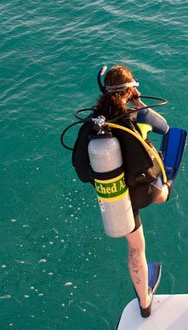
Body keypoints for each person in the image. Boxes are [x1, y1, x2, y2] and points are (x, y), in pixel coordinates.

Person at [72, 65, 172, 317]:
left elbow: (83, 168)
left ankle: (145, 304)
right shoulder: (135, 115)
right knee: (162, 193)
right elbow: (165, 128)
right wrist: (139, 103)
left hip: (113, 194)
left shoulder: (93, 122)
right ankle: (167, 190)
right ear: (130, 91)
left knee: (136, 249)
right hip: (142, 189)